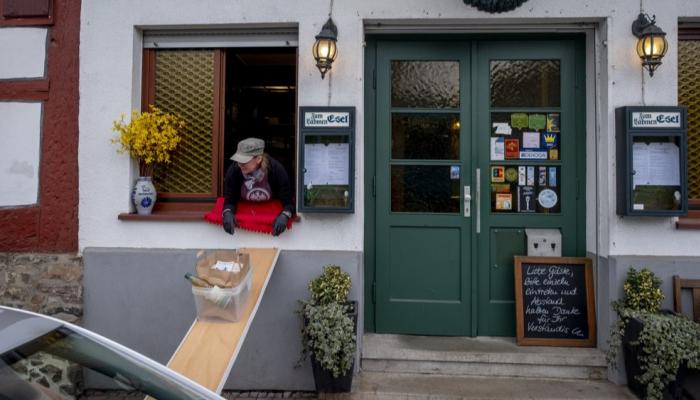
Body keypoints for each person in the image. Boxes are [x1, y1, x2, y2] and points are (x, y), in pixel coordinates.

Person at [222, 137, 294, 236]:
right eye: (238, 160)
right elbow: (230, 199)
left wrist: (285, 215)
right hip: (247, 214)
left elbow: (288, 202)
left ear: (259, 159)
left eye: (244, 161)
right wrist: (227, 212)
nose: (240, 164)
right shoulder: (234, 170)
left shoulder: (277, 170)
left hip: (269, 211)